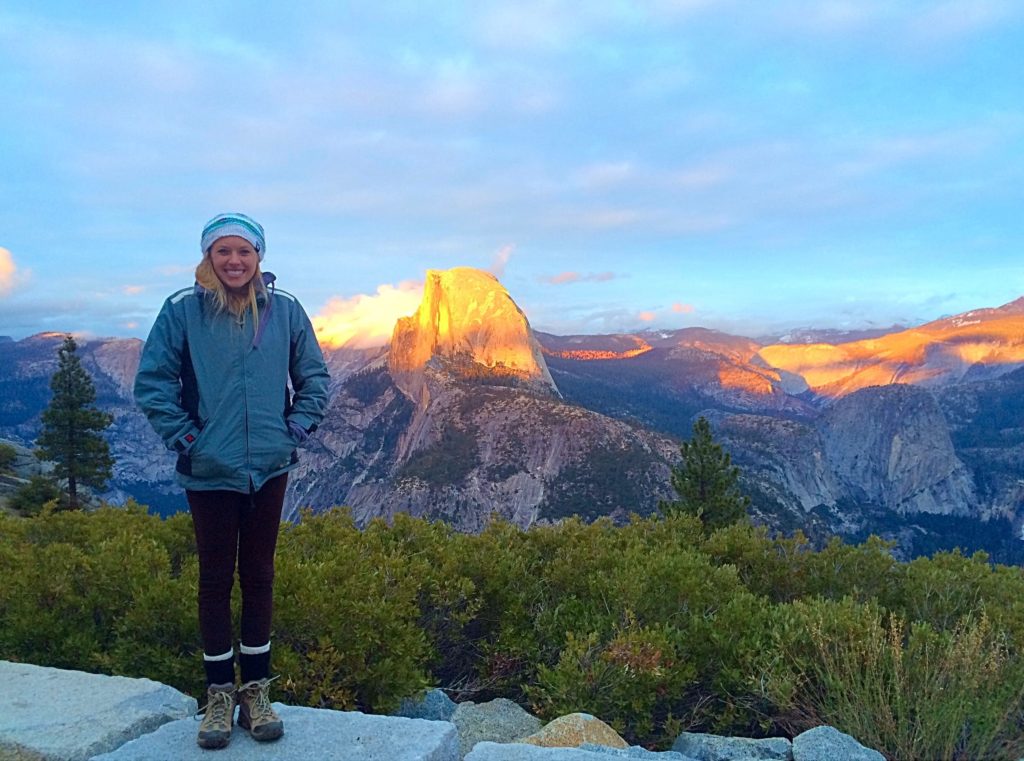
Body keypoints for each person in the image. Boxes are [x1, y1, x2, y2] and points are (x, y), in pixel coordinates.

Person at [134, 213, 329, 749]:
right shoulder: (183, 310)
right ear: (208, 258)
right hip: (210, 469)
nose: (235, 261)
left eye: (244, 251)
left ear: (259, 257)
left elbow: (314, 376)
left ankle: (256, 691)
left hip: (270, 467)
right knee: (216, 580)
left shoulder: (285, 310)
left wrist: (295, 429)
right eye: (224, 252)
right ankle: (220, 693)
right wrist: (188, 438)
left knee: (260, 575)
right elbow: (152, 382)